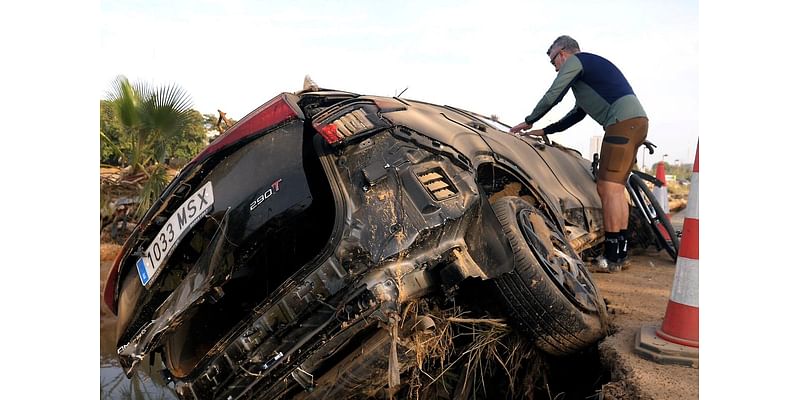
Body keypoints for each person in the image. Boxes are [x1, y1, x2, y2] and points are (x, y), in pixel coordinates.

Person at [509, 35, 648, 272]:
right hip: (636, 122)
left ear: (563, 53)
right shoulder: (589, 77)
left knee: (608, 189)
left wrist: (529, 121)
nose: (555, 69)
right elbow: (576, 114)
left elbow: (555, 93)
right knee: (616, 189)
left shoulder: (577, 61)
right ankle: (620, 254)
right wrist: (545, 130)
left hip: (622, 123)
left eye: (554, 62)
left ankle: (612, 257)